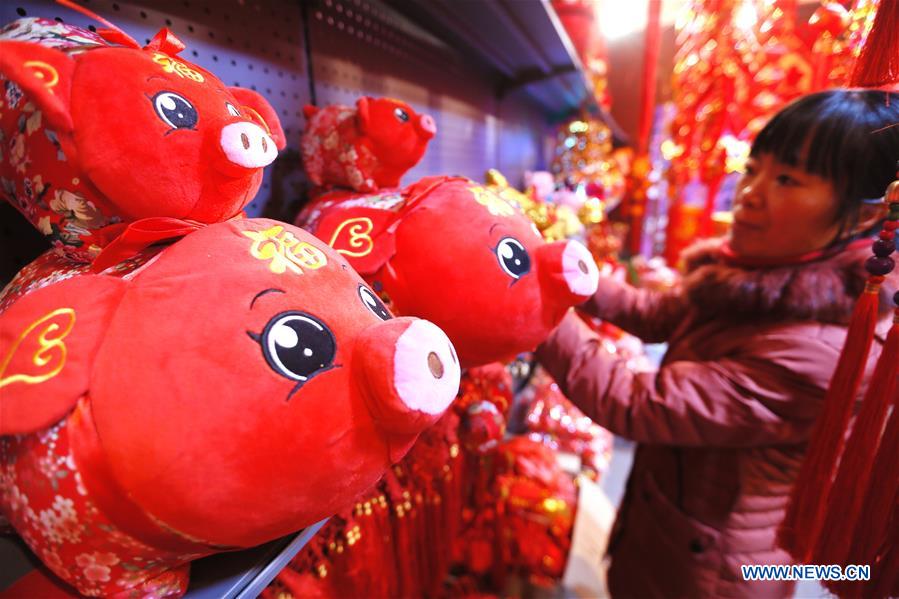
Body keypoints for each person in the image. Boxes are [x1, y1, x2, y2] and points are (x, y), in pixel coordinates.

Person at [536, 89, 899, 598]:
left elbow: (638, 403)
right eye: (754, 169)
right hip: (669, 527)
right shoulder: (760, 275)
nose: (750, 192)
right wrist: (557, 267)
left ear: (865, 216)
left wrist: (525, 303)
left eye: (787, 179)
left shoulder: (825, 348)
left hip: (717, 572)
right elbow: (656, 313)